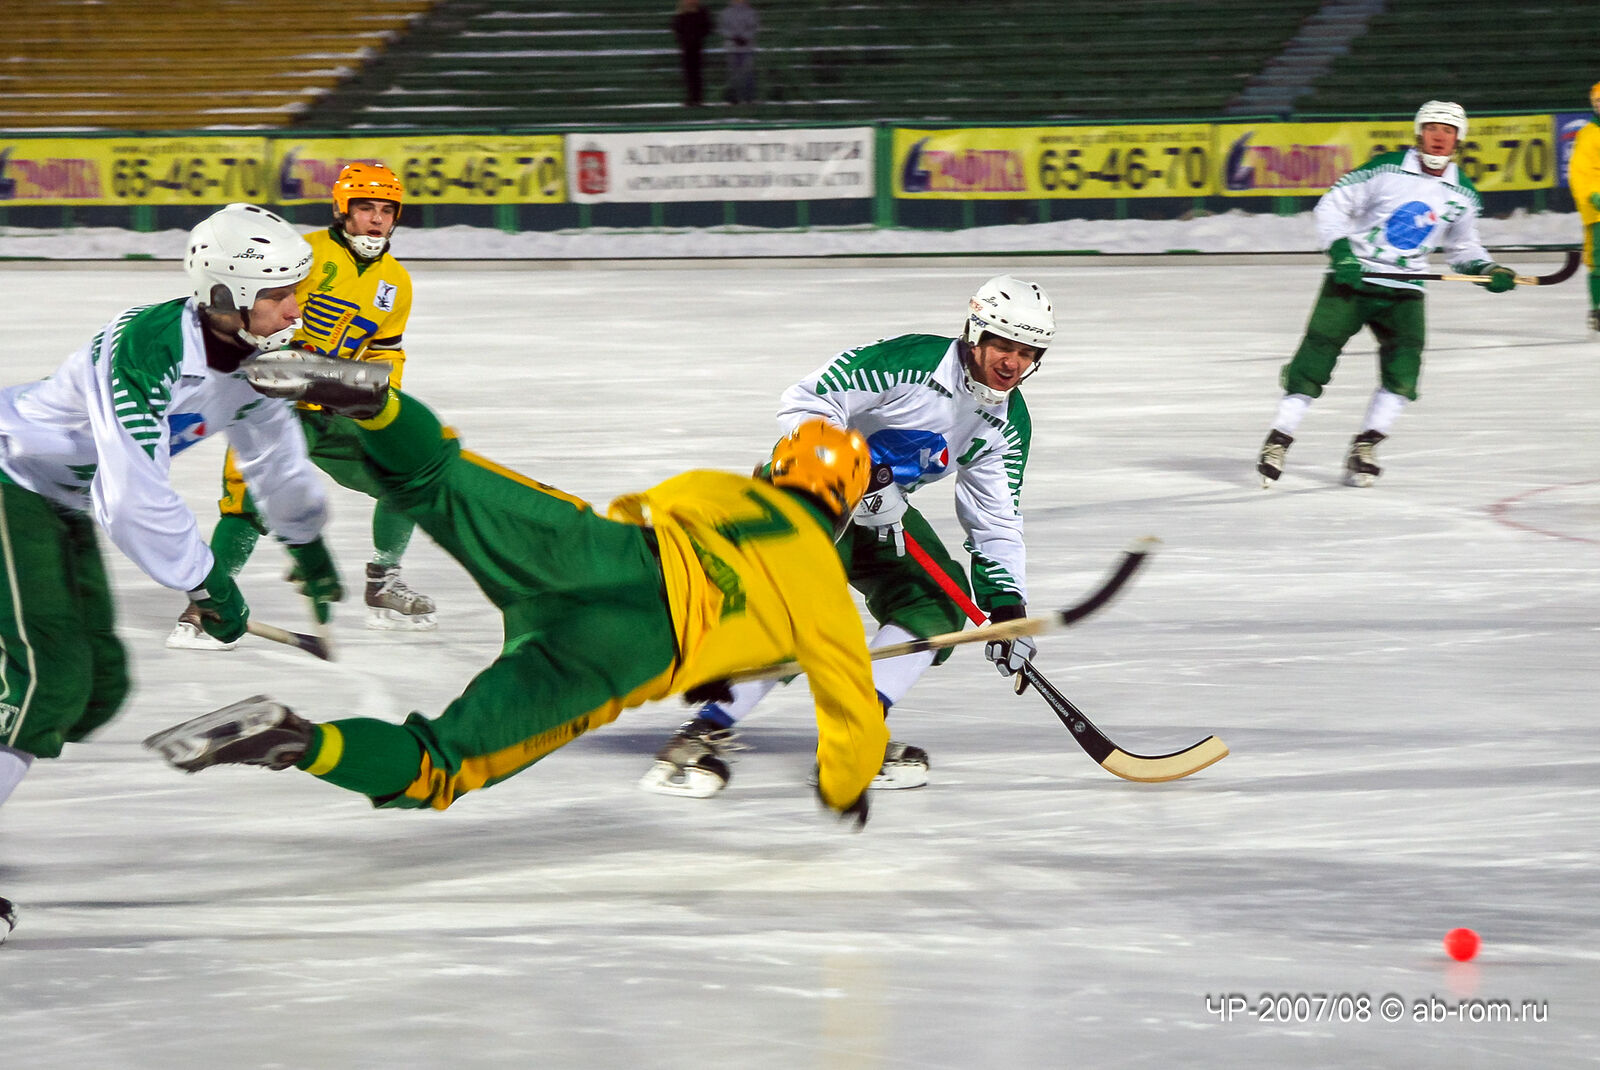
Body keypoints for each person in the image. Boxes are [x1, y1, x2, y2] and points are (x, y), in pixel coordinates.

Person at [145, 389, 891, 827]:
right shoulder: (824, 592)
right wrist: (843, 786)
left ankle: (372, 406)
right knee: (440, 764)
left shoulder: (719, 486)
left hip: (605, 552)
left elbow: (638, 509)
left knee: (434, 478)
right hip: (621, 652)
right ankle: (297, 740)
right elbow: (852, 709)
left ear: (774, 470)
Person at [0, 203, 348, 937]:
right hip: (11, 477)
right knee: (46, 682)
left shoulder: (257, 363)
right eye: (279, 294)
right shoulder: (145, 347)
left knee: (95, 688)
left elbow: (275, 460)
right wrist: (205, 580)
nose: (296, 307)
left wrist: (306, 541)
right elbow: (129, 495)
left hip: (55, 499)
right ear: (227, 296)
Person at [640, 275, 1055, 798]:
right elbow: (807, 400)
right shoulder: (908, 361)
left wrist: (1007, 607)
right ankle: (698, 737)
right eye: (1003, 345)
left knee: (934, 603)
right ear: (975, 334)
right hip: (806, 496)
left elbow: (995, 520)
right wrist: (853, 474)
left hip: (882, 513)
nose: (1012, 363)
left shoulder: (1007, 423)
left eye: (1027, 352)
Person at [167, 161, 435, 650]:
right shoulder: (302, 254)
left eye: (386, 209)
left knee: (407, 476)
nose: (377, 219)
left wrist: (378, 396)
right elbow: (249, 314)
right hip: (273, 402)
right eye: (365, 208)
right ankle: (208, 604)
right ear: (343, 210)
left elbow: (386, 350)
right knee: (247, 504)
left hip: (334, 404)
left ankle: (384, 581)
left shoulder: (397, 281)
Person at [1255, 100, 1518, 490]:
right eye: (1432, 128)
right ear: (1419, 133)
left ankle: (1366, 445)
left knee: (1403, 370)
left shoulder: (1462, 192)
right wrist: (1341, 251)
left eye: (1448, 131)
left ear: (1459, 139)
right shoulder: (1385, 168)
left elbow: (1463, 247)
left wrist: (1487, 269)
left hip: (1406, 289)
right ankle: (1278, 439)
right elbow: (1332, 206)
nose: (1439, 137)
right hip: (1354, 278)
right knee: (1314, 359)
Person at [1567, 80, 1600, 333]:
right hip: (1598, 211)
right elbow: (1580, 172)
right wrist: (1593, 195)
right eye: (1597, 102)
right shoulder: (1588, 135)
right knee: (1599, 260)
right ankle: (1597, 310)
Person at [718, 0, 759, 106]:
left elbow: (754, 27)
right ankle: (734, 98)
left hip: (746, 48)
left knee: (748, 74)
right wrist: (735, 37)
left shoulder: (751, 12)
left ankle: (749, 97)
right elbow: (723, 28)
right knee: (733, 74)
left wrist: (744, 37)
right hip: (732, 47)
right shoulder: (726, 12)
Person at [672, 0, 713, 107]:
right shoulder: (681, 12)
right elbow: (677, 27)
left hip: (697, 46)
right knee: (689, 74)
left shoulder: (702, 11)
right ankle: (691, 98)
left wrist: (697, 37)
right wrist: (683, 39)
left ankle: (698, 98)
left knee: (696, 73)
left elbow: (707, 27)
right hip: (686, 47)